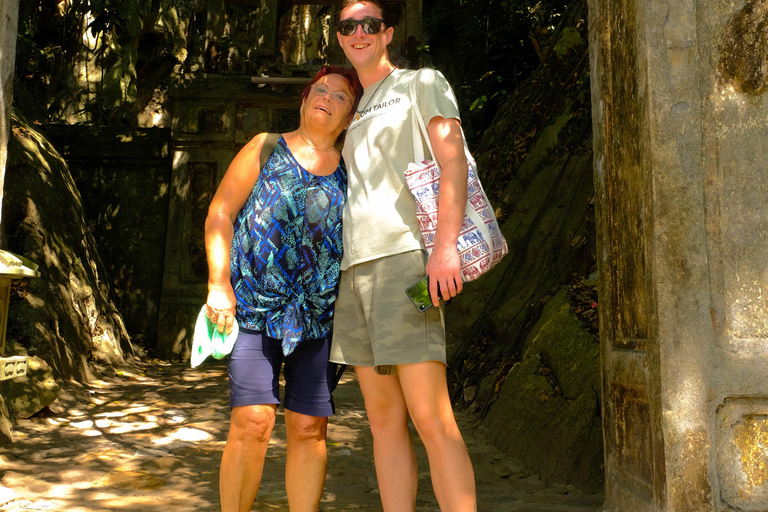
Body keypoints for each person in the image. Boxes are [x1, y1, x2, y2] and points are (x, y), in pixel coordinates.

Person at [330, 1, 477, 511]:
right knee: (384, 421)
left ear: (388, 32)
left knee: (431, 416)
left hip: (404, 260)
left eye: (369, 24)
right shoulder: (352, 106)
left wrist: (445, 248)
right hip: (355, 271)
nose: (359, 33)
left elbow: (452, 160)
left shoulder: (420, 83)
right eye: (348, 26)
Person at [204, 66, 363, 512]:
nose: (326, 98)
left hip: (322, 317)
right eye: (320, 90)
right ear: (304, 98)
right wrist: (218, 282)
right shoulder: (264, 147)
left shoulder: (354, 169)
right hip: (254, 307)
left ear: (350, 116)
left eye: (340, 96)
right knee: (253, 421)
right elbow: (220, 212)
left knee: (310, 427)